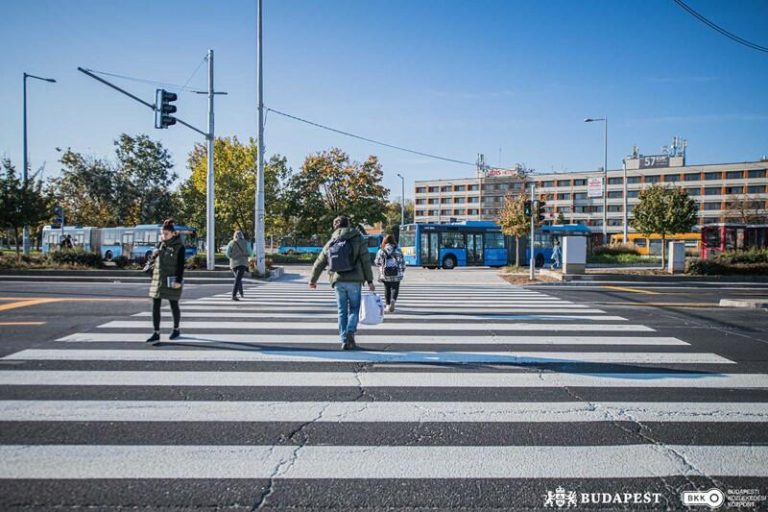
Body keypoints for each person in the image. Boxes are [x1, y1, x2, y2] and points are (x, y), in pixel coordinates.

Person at [308, 216, 375, 350]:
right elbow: (365, 260)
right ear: (349, 224)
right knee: (355, 308)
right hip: (355, 280)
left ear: (335, 227)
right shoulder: (358, 238)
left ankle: (344, 339)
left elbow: (320, 262)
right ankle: (351, 331)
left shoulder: (332, 241)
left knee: (341, 311)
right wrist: (370, 281)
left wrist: (313, 280)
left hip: (338, 280)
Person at [146, 219, 185, 344]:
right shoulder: (160, 245)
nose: (163, 236)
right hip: (158, 279)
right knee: (155, 305)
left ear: (173, 234)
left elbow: (180, 266)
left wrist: (178, 280)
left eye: (166, 234)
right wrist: (154, 255)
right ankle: (156, 332)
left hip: (171, 279)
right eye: (162, 234)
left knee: (173, 304)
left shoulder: (179, 247)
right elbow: (151, 261)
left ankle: (176, 329)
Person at [374, 234, 406, 313]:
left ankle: (388, 305)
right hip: (396, 273)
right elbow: (402, 261)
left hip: (385, 273)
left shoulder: (381, 250)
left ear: (384, 241)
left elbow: (377, 262)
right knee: (395, 288)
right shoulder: (398, 250)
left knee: (387, 288)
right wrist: (402, 270)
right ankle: (393, 300)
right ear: (393, 241)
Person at [225, 230, 250, 301]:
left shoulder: (231, 243)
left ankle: (241, 293)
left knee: (238, 278)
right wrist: (245, 255)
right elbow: (251, 253)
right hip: (243, 263)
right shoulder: (246, 243)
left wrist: (233, 256)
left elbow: (227, 254)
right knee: (238, 279)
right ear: (242, 235)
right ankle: (234, 295)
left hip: (233, 264)